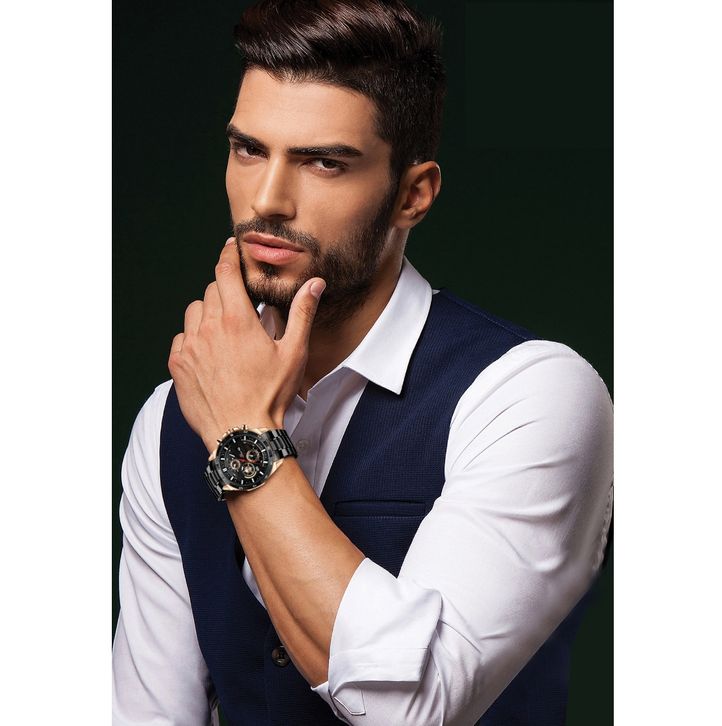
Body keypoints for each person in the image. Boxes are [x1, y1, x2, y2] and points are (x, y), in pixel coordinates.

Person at [112, 1, 613, 724]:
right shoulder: (170, 418)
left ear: (413, 194)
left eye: (324, 162)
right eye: (249, 150)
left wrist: (242, 434)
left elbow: (413, 707)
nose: (267, 201)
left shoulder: (529, 395)